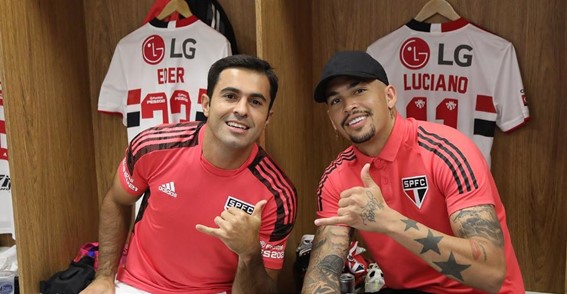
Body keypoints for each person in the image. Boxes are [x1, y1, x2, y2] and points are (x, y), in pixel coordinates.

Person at [301, 51, 523, 293]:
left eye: (359, 91)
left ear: (389, 96)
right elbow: (321, 273)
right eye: (336, 101)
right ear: (332, 120)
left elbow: (491, 274)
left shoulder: (446, 151)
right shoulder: (336, 177)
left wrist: (389, 222)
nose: (349, 106)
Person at [81, 55, 297, 294]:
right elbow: (117, 200)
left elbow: (265, 290)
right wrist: (104, 277)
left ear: (268, 117)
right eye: (230, 96)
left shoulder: (278, 195)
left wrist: (249, 252)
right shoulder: (153, 146)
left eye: (256, 102)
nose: (241, 110)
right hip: (137, 286)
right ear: (206, 104)